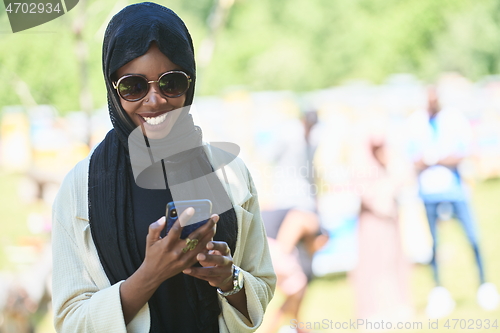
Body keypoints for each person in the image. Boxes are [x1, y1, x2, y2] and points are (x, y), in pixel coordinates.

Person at [51, 3, 276, 333]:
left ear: (191, 82)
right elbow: (70, 321)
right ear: (113, 89)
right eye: (134, 86)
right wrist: (149, 275)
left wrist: (228, 279)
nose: (155, 100)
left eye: (171, 83)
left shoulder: (230, 173)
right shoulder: (80, 188)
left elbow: (262, 285)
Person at [407, 85, 499, 317]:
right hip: (428, 193)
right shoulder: (415, 122)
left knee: (473, 238)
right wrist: (434, 159)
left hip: (455, 190)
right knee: (433, 245)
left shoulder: (453, 118)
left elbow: (465, 150)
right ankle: (439, 291)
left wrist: (435, 158)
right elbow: (413, 157)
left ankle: (484, 286)